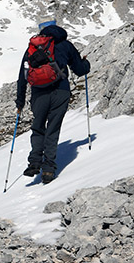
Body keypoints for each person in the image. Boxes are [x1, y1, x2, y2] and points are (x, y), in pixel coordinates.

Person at [15, 20, 90, 184]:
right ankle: (48, 169)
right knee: (53, 129)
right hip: (61, 91)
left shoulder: (32, 47)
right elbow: (80, 70)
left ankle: (34, 162)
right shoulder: (65, 44)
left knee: (38, 127)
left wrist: (20, 102)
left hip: (39, 94)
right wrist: (86, 63)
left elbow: (23, 77)